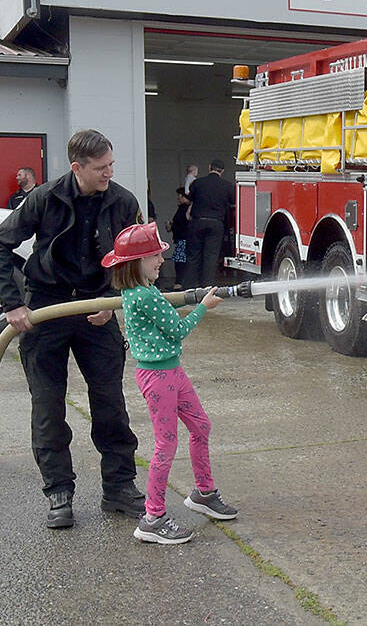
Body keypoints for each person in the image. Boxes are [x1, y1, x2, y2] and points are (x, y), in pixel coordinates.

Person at [0, 129, 146, 529]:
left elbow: (136, 258)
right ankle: (59, 490)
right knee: (48, 406)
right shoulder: (44, 198)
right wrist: (13, 304)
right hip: (46, 309)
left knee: (110, 402)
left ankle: (120, 487)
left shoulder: (123, 201)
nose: (109, 173)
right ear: (77, 167)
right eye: (100, 168)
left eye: (111, 165)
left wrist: (114, 300)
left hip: (97, 309)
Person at [103, 222, 237, 544]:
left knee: (200, 426)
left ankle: (203, 493)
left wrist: (190, 298)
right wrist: (203, 307)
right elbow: (177, 330)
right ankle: (153, 517)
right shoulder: (143, 296)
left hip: (171, 372)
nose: (161, 260)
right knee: (166, 445)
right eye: (154, 256)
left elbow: (165, 306)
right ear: (137, 263)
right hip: (159, 377)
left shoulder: (143, 292)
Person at [182, 159, 234, 289]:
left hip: (198, 221)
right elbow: (233, 202)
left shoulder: (198, 183)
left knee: (193, 255)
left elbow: (188, 200)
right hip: (216, 223)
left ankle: (189, 287)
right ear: (222, 171)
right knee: (211, 256)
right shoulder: (227, 186)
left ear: (209, 167)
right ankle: (207, 287)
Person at [170, 187, 192, 290]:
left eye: (180, 196)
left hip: (184, 238)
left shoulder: (184, 208)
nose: (178, 198)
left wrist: (172, 226)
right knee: (181, 261)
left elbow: (180, 222)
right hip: (184, 238)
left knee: (180, 262)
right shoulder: (186, 208)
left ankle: (179, 282)